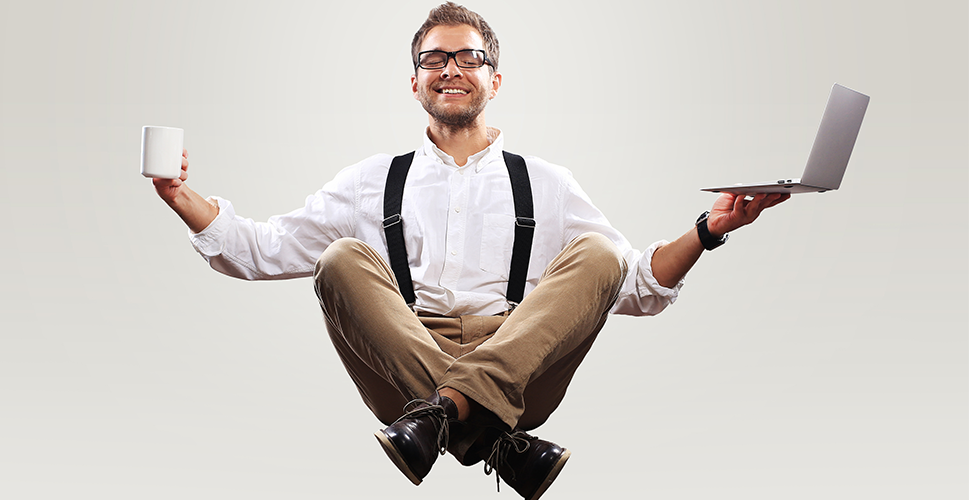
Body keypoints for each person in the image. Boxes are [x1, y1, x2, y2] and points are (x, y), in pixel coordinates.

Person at [151, 3, 788, 499]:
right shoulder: (371, 180)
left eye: (468, 57)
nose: (451, 68)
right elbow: (259, 249)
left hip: (517, 364)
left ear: (495, 77)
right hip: (404, 361)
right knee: (339, 258)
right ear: (415, 81)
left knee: (598, 254)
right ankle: (498, 441)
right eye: (435, 59)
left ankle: (448, 416)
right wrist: (180, 194)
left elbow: (633, 286)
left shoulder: (546, 183)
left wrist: (709, 228)